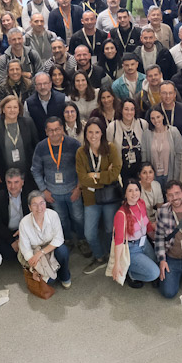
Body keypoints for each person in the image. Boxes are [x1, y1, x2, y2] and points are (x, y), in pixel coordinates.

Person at [32, 117, 87, 257]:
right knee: (61, 219)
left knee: (79, 217)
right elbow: (36, 169)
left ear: (62, 129)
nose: (54, 133)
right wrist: (44, 190)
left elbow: (83, 168)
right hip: (52, 192)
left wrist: (79, 188)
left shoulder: (74, 144)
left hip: (73, 190)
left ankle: (82, 239)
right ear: (46, 131)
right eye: (50, 130)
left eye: (57, 129)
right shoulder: (41, 147)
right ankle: (66, 240)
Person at [76, 118, 122, 274]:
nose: (93, 136)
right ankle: (99, 257)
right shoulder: (81, 152)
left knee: (109, 229)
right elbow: (82, 178)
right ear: (86, 133)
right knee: (89, 233)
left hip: (110, 197)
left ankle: (111, 256)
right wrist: (104, 176)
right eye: (90, 132)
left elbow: (115, 173)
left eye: (97, 132)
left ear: (102, 133)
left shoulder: (111, 149)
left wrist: (94, 176)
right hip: (90, 198)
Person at [18, 190, 72, 288]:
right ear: (30, 207)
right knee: (50, 281)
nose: (39, 208)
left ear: (45, 204)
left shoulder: (53, 215)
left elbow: (59, 239)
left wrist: (41, 253)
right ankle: (54, 271)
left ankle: (64, 275)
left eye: (42, 203)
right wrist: (34, 268)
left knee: (63, 251)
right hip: (35, 251)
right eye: (34, 205)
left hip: (50, 248)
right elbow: (26, 249)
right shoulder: (24, 223)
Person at [142, 105, 182, 185]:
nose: (156, 120)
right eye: (152, 118)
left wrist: (176, 177)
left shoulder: (173, 132)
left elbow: (179, 155)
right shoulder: (146, 134)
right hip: (153, 177)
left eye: (158, 117)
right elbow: (144, 157)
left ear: (163, 116)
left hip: (170, 175)